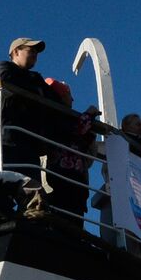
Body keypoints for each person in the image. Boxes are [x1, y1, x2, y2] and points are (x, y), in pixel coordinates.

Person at [0, 38, 54, 184]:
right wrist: (37, 91)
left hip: (29, 144)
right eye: (31, 50)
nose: (35, 54)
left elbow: (54, 99)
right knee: (4, 188)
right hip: (6, 141)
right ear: (16, 52)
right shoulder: (4, 68)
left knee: (31, 189)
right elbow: (3, 81)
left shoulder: (35, 78)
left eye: (36, 52)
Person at [41, 77, 98, 224]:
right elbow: (75, 131)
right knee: (64, 212)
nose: (72, 100)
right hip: (63, 176)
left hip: (74, 179)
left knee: (73, 212)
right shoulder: (55, 115)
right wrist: (89, 115)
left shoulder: (58, 117)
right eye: (68, 95)